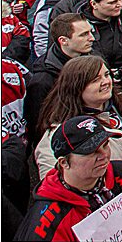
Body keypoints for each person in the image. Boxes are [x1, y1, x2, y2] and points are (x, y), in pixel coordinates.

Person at [15, 116, 122, 242]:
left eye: (105, 145)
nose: (104, 155)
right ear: (64, 162)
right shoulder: (46, 225)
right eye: (92, 152)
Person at [34, 55, 122, 177]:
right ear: (76, 87)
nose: (105, 82)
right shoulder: (60, 133)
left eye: (106, 75)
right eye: (96, 80)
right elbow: (52, 182)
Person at [24, 12, 95, 146]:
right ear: (63, 40)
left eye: (90, 32)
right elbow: (38, 127)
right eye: (84, 34)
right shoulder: (43, 81)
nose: (92, 38)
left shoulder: (91, 57)